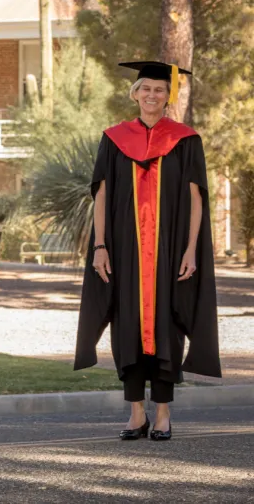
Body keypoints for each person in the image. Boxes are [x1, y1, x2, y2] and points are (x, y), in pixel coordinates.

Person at [76, 61, 221, 441]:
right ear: (135, 93)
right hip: (124, 251)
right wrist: (101, 246)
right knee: (127, 329)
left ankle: (162, 414)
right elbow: (102, 195)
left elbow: (195, 199)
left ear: (167, 96)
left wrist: (192, 250)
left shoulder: (186, 139)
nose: (152, 96)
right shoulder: (114, 138)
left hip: (170, 252)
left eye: (159, 90)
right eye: (146, 89)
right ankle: (135, 413)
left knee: (167, 328)